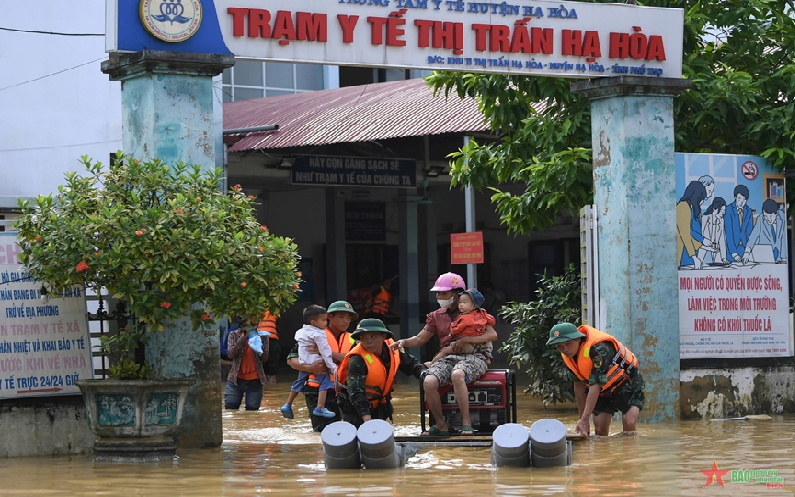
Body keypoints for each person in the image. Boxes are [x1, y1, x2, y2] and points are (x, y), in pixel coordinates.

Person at [389, 272, 497, 435]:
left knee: (457, 375)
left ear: (456, 294)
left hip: (475, 356)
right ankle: (440, 424)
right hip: (448, 357)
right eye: (438, 293)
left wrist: (467, 339)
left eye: (443, 293)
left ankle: (466, 423)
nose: (439, 296)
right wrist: (403, 342)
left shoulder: (475, 313)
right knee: (429, 381)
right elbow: (420, 339)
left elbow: (492, 334)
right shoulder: (436, 316)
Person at [547, 322, 645, 436]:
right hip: (603, 391)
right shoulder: (568, 357)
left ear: (578, 339)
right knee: (599, 431)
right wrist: (582, 419)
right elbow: (578, 385)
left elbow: (595, 385)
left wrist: (585, 418)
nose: (565, 349)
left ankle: (630, 452)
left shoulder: (599, 349)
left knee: (629, 424)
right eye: (560, 346)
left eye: (568, 344)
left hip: (626, 383)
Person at [336, 318, 427, 427]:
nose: (368, 341)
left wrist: (426, 376)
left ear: (383, 336)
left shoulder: (393, 348)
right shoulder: (357, 358)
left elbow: (412, 365)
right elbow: (355, 391)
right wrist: (366, 419)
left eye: (373, 336)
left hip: (379, 404)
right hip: (354, 407)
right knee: (360, 433)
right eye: (363, 337)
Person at [286, 300, 358, 431]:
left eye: (348, 318)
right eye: (341, 317)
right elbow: (291, 360)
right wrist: (309, 368)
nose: (346, 321)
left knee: (346, 430)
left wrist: (327, 353)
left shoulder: (353, 338)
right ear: (329, 317)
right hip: (316, 390)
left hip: (344, 391)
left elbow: (354, 360)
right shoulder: (312, 335)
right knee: (322, 431)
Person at [281, 305, 337, 419]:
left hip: (304, 362)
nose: (326, 322)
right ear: (313, 322)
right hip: (317, 364)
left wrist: (306, 366)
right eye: (323, 320)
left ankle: (288, 404)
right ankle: (320, 408)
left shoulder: (300, 332)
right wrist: (332, 366)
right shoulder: (319, 334)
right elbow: (325, 352)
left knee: (298, 382)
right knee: (325, 384)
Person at [431, 288, 495, 363]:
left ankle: (431, 365)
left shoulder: (465, 317)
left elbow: (456, 329)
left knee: (444, 350)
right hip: (484, 345)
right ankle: (487, 355)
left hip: (469, 345)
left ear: (474, 305)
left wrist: (453, 326)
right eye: (460, 302)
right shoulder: (482, 314)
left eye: (464, 302)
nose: (461, 304)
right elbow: (492, 320)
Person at [224, 318, 271, 410]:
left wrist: (257, 345)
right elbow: (231, 354)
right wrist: (243, 337)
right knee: (230, 408)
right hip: (235, 380)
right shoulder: (234, 335)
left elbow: (265, 358)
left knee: (252, 411)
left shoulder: (263, 336)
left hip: (255, 381)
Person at [676, 181, 710, 269]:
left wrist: (704, 246)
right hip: (682, 254)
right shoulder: (683, 206)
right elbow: (685, 235)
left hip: (687, 252)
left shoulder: (689, 208)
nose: (701, 202)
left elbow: (690, 235)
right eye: (701, 198)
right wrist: (694, 257)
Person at [743, 199, 787, 264]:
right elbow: (753, 236)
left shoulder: (783, 217)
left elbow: (784, 238)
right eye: (766, 216)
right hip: (765, 258)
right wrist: (747, 252)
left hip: (781, 259)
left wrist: (784, 258)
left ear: (776, 213)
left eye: (770, 216)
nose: (768, 219)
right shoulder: (761, 219)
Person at [725, 185, 753, 263]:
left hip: (745, 250)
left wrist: (748, 250)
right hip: (732, 251)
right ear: (735, 197)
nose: (741, 202)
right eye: (739, 198)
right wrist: (734, 253)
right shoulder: (728, 210)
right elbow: (728, 232)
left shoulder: (748, 211)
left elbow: (750, 231)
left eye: (744, 199)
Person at [699, 197, 728, 264]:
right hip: (704, 248)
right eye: (721, 210)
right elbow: (700, 235)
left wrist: (724, 258)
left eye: (724, 210)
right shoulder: (705, 218)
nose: (723, 213)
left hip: (715, 249)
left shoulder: (721, 220)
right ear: (715, 209)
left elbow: (722, 239)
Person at [257, 311, 280, 384]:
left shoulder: (253, 311)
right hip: (269, 342)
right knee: (271, 373)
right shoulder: (274, 310)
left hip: (262, 342)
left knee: (261, 373)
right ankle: (272, 393)